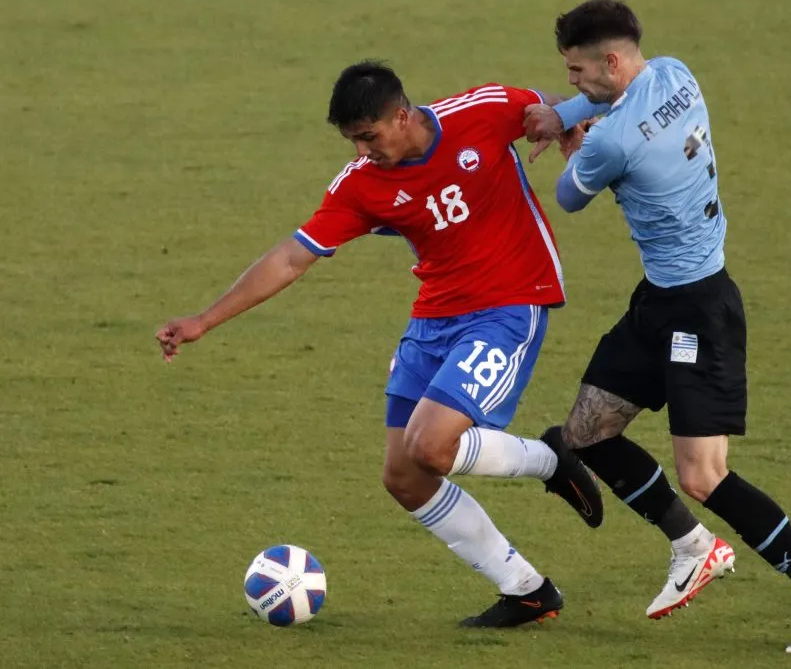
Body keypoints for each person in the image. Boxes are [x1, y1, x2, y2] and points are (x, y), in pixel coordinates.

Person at [155, 60, 603, 628]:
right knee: (405, 476)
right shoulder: (362, 183)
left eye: (368, 137)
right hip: (435, 316)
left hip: (510, 304)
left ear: (400, 115)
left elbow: (564, 102)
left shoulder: (483, 111)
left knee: (432, 448)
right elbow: (293, 257)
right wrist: (203, 320)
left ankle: (547, 459)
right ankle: (528, 590)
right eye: (353, 141)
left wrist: (568, 125)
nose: (364, 151)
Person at [522, 0, 791, 654]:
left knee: (703, 475)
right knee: (587, 431)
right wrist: (567, 114)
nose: (569, 82)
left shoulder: (614, 141)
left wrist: (573, 140)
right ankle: (692, 546)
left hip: (701, 312)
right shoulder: (676, 72)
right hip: (661, 299)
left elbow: (568, 193)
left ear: (611, 62)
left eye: (574, 72)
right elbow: (611, 113)